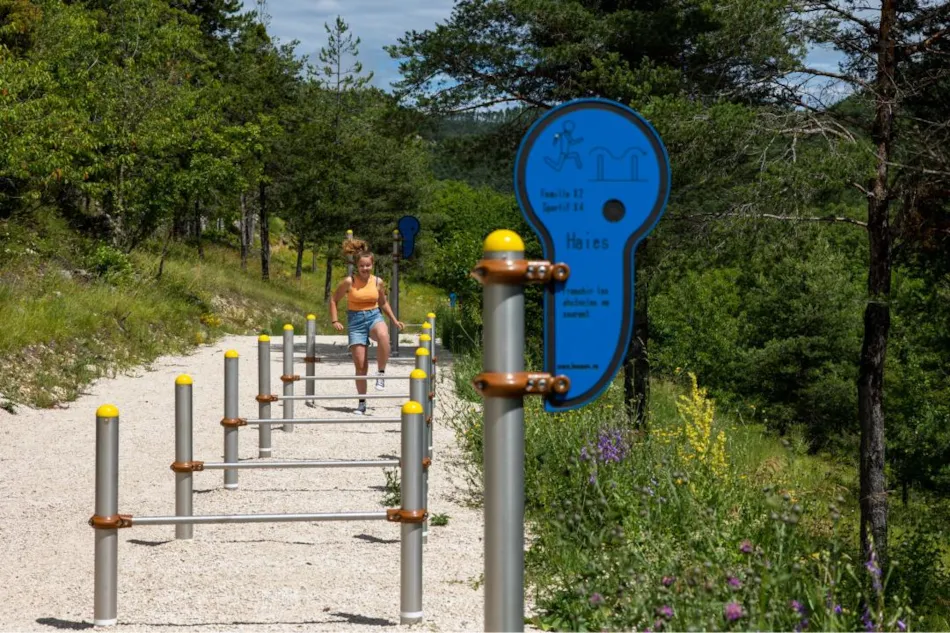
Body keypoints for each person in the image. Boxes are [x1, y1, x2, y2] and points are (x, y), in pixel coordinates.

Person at [329, 238, 404, 415]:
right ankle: (362, 403)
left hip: (374, 315)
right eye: (362, 266)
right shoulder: (349, 282)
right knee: (361, 366)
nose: (365, 268)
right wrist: (335, 320)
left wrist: (394, 320)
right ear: (357, 266)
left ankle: (381, 373)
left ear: (372, 265)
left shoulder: (378, 282)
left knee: (384, 336)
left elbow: (383, 303)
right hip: (355, 321)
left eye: (368, 265)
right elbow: (334, 300)